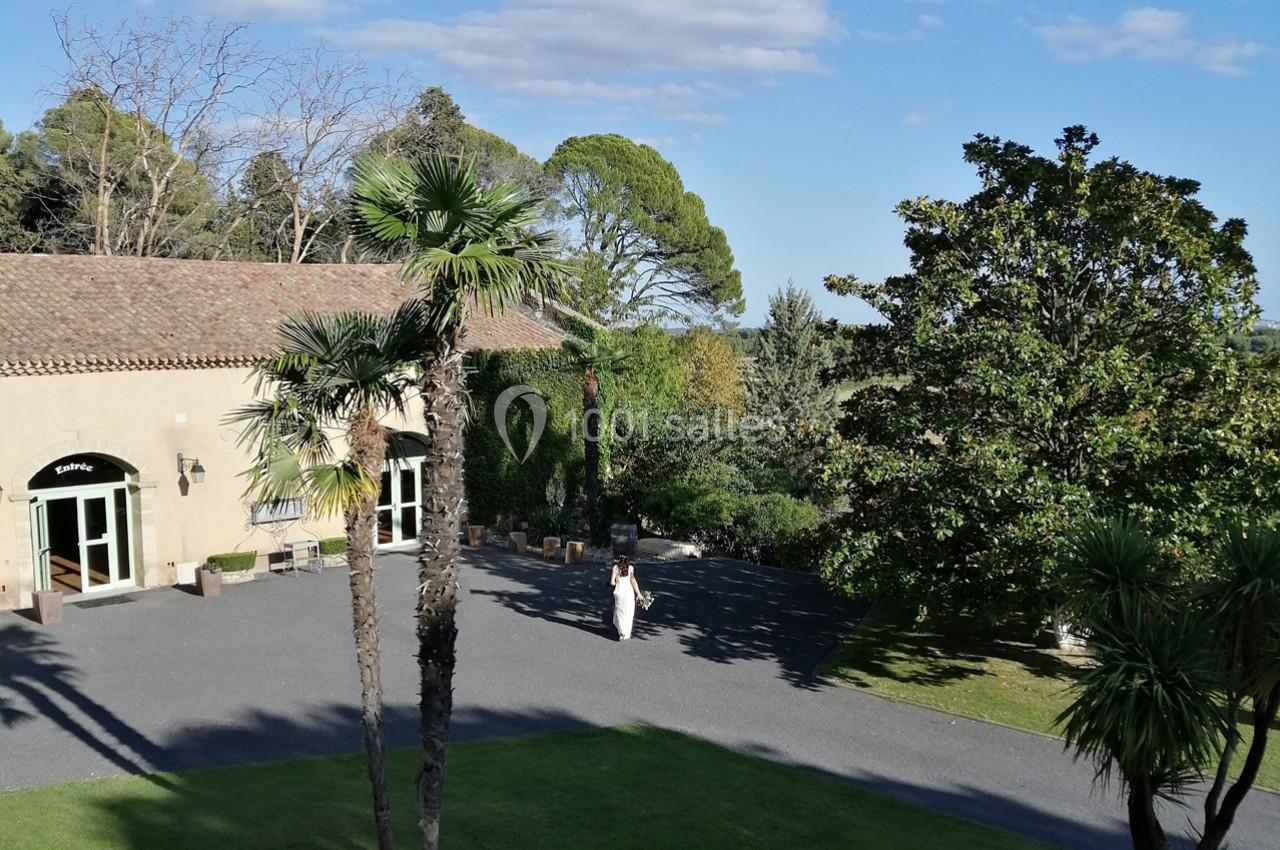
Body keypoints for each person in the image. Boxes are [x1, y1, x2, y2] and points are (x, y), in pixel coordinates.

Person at [610, 556, 642, 641]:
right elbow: (633, 580)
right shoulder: (630, 568)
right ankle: (626, 633)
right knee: (628, 613)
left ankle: (621, 631)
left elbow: (612, 582)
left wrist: (614, 587)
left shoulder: (616, 568)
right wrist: (638, 593)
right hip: (628, 593)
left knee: (620, 612)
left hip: (619, 592)